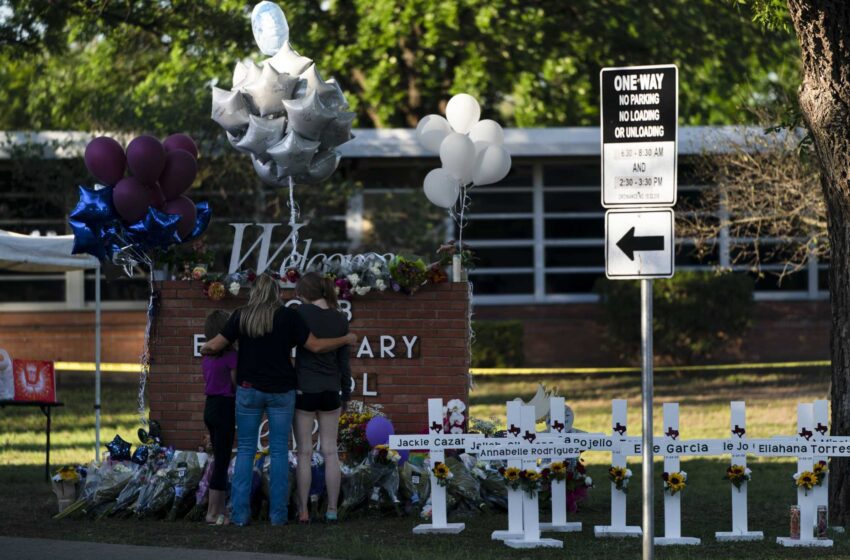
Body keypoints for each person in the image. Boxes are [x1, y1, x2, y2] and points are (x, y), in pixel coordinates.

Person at [201, 274, 355, 526]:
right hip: (281, 391)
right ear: (276, 293)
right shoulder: (288, 316)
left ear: (253, 292)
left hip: (249, 390)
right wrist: (346, 339)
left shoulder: (241, 315)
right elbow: (315, 346)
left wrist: (207, 349)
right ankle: (278, 516)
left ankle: (239, 515)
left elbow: (214, 345)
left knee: (246, 451)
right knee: (280, 451)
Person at [292, 272, 352, 524]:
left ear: (305, 293)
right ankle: (332, 510)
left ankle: (304, 510)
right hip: (331, 390)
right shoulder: (340, 318)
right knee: (330, 451)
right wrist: (346, 393)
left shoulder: (300, 313)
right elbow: (344, 362)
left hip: (305, 388)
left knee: (304, 452)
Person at [201, 310, 237, 525]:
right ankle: (213, 513)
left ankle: (220, 509)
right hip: (225, 407)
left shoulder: (207, 356)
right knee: (223, 461)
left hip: (210, 407)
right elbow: (235, 383)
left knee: (219, 459)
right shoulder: (232, 357)